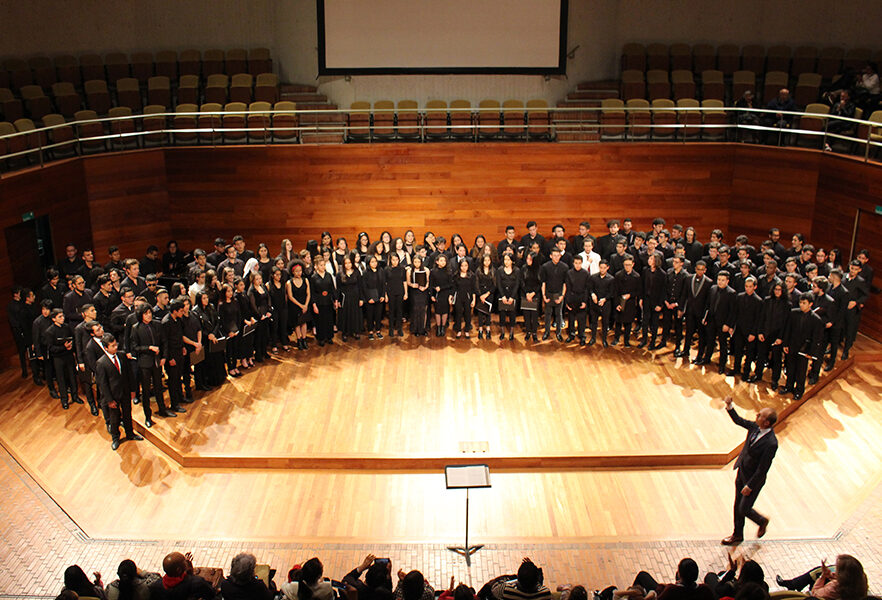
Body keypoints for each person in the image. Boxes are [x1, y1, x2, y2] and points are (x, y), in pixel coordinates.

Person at [721, 395, 777, 545]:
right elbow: (739, 420)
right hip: (742, 472)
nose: (756, 415)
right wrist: (730, 405)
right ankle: (737, 535)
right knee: (737, 505)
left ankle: (761, 521)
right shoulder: (755, 427)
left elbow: (763, 468)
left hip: (754, 480)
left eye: (760, 415)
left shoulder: (771, 443)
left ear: (766, 422)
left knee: (744, 508)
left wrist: (750, 485)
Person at [95, 333, 143, 451]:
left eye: (115, 344)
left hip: (126, 392)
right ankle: (116, 438)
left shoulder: (121, 355)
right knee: (114, 418)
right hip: (113, 395)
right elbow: (103, 384)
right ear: (106, 348)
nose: (115, 347)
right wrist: (109, 400)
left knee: (127, 414)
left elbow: (129, 374)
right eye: (112, 346)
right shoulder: (101, 363)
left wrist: (133, 390)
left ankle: (130, 433)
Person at [781, 292, 824, 400]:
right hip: (792, 345)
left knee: (801, 371)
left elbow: (816, 339)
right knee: (790, 368)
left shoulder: (816, 319)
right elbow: (788, 330)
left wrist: (811, 352)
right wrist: (785, 344)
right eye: (800, 302)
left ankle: (799, 391)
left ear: (810, 304)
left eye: (804, 303)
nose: (801, 305)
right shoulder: (793, 313)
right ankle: (788, 387)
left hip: (804, 349)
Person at [775, 554, 867, 600]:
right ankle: (793, 584)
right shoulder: (861, 579)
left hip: (814, 597)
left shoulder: (833, 588)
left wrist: (823, 576)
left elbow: (815, 593)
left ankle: (793, 584)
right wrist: (832, 576)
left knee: (818, 573)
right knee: (819, 570)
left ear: (843, 576)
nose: (835, 570)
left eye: (837, 569)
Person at [754, 282, 789, 390]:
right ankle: (758, 374)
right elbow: (761, 317)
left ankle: (775, 380)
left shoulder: (787, 305)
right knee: (760, 356)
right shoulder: (767, 301)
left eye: (779, 290)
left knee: (776, 360)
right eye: (776, 289)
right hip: (765, 333)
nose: (777, 292)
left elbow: (786, 324)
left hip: (777, 336)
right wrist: (760, 332)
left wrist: (781, 338)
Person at [43, 309, 79, 409]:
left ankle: (75, 396)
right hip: (58, 358)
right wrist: (64, 347)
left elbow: (72, 338)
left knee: (72, 376)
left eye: (63, 316)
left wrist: (71, 347)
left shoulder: (67, 327)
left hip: (69, 355)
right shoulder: (50, 331)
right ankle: (64, 400)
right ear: (54, 319)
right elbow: (50, 348)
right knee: (61, 379)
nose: (63, 318)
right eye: (60, 317)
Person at [629, 558, 714, 600]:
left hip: (660, 592)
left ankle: (630, 594)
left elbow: (658, 597)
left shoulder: (671, 590)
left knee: (642, 575)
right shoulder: (705, 590)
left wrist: (662, 587)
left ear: (680, 574)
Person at [703, 271, 736, 373]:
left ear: (727, 281)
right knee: (710, 341)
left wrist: (728, 324)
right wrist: (706, 318)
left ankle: (722, 365)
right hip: (712, 320)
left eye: (722, 280)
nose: (720, 282)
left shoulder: (731, 293)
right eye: (719, 280)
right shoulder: (713, 289)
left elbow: (732, 311)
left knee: (723, 345)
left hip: (723, 323)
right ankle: (707, 358)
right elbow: (708, 305)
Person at [731, 277, 763, 380]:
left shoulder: (758, 301)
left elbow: (758, 319)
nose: (748, 289)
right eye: (746, 286)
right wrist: (732, 326)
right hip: (739, 329)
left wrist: (753, 333)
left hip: (750, 331)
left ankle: (746, 373)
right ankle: (736, 369)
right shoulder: (739, 297)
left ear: (755, 287)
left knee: (749, 354)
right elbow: (735, 313)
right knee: (737, 351)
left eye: (750, 287)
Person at [149, 552, 216, 600]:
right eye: (184, 562)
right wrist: (191, 574)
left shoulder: (155, 586)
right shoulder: (197, 583)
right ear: (179, 570)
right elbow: (211, 594)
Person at [612, 255, 641, 347]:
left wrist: (630, 295)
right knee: (618, 322)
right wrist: (617, 304)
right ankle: (616, 339)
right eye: (625, 265)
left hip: (630, 303)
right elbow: (615, 290)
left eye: (629, 265)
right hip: (620, 300)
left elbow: (638, 291)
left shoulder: (636, 276)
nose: (627, 267)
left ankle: (626, 340)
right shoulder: (618, 275)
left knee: (628, 323)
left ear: (633, 264)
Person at [540, 247, 568, 341]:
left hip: (559, 294)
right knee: (547, 314)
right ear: (550, 256)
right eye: (554, 255)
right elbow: (543, 282)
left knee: (559, 314)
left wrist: (562, 296)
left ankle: (558, 333)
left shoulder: (564, 267)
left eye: (558, 255)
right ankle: (546, 332)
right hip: (548, 293)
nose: (556, 257)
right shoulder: (545, 266)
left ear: (560, 256)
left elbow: (565, 283)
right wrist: (544, 296)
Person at [336, 255, 364, 341]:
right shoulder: (340, 274)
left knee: (355, 314)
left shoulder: (357, 272)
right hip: (345, 297)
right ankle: (345, 333)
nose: (348, 265)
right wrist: (338, 300)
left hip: (355, 297)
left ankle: (355, 331)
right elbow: (339, 288)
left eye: (349, 263)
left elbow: (360, 286)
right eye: (346, 263)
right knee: (345, 315)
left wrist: (361, 298)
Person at [588, 259, 615, 347]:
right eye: (601, 268)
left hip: (606, 304)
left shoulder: (611, 279)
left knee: (605, 322)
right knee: (594, 322)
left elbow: (612, 292)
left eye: (604, 268)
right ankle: (593, 338)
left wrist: (604, 299)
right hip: (594, 303)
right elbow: (590, 288)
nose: (602, 270)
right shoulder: (593, 277)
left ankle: (604, 339)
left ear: (607, 268)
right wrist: (592, 294)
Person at [565, 255, 589, 345]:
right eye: (576, 263)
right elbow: (567, 288)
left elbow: (587, 289)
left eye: (579, 263)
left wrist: (585, 301)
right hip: (572, 297)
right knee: (571, 318)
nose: (577, 265)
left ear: (582, 263)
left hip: (582, 297)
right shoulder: (569, 273)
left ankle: (582, 335)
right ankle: (571, 335)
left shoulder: (586, 273)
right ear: (573, 263)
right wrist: (567, 302)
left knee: (581, 319)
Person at [363, 255, 386, 340]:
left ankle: (378, 331)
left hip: (379, 295)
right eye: (372, 262)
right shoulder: (365, 272)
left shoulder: (381, 270)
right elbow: (364, 287)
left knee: (378, 315)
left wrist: (383, 295)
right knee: (370, 315)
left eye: (375, 261)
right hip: (370, 296)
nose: (374, 263)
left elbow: (384, 284)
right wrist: (369, 298)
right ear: (369, 263)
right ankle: (370, 332)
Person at [520, 252, 542, 342]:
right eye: (527, 258)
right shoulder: (524, 268)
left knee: (534, 315)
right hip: (525, 293)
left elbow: (540, 283)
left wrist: (533, 293)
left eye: (530, 259)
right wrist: (527, 293)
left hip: (535, 294)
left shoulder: (539, 269)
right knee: (526, 314)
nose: (527, 260)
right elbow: (522, 282)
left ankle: (534, 333)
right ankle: (528, 331)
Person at [385, 253, 408, 338]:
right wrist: (386, 294)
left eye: (396, 260)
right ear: (390, 260)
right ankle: (391, 328)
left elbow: (404, 281)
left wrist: (406, 293)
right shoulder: (387, 269)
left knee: (399, 311)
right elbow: (385, 283)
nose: (395, 262)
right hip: (390, 292)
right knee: (391, 311)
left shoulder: (402, 269)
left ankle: (399, 328)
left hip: (400, 291)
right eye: (393, 260)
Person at [430, 254, 453, 337]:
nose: (443, 262)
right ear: (437, 262)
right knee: (437, 311)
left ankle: (443, 327)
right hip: (437, 294)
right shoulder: (433, 271)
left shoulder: (449, 271)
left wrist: (442, 288)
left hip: (445, 293)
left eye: (444, 261)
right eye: (441, 260)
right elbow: (431, 284)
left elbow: (451, 284)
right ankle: (438, 327)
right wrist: (432, 295)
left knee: (445, 311)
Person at [408, 255, 430, 337]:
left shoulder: (426, 270)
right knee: (415, 310)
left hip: (423, 292)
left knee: (423, 310)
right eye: (415, 262)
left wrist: (425, 287)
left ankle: (422, 329)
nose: (417, 264)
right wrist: (412, 285)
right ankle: (415, 329)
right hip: (414, 292)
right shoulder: (410, 270)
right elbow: (408, 282)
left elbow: (428, 281)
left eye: (419, 262)